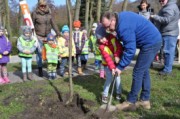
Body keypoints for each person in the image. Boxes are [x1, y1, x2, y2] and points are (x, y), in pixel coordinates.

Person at [101, 11, 162, 111]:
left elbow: (130, 50)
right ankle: (145, 101)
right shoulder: (120, 17)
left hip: (151, 42)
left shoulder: (123, 27)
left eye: (107, 27)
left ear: (113, 20)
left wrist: (120, 67)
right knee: (144, 70)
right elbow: (127, 44)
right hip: (151, 40)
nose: (107, 30)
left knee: (138, 72)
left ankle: (130, 102)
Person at [150, 0, 179, 75]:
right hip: (169, 32)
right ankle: (167, 67)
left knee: (168, 52)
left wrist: (155, 17)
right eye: (160, 0)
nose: (161, 2)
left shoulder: (169, 7)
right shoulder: (169, 6)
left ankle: (167, 70)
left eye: (162, 0)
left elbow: (166, 20)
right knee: (168, 51)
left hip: (169, 33)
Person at [32, 1, 60, 77]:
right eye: (41, 6)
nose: (43, 7)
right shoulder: (35, 13)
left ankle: (54, 66)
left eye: (44, 6)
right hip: (39, 36)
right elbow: (32, 24)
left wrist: (57, 31)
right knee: (39, 53)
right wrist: (32, 34)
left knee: (52, 51)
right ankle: (40, 69)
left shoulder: (49, 14)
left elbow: (53, 23)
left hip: (48, 36)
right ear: (39, 6)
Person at [96, 25, 123, 103]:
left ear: (105, 35)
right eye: (99, 39)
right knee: (109, 79)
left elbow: (119, 47)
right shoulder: (101, 46)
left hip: (116, 62)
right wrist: (112, 68)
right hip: (107, 65)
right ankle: (105, 95)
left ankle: (118, 93)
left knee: (117, 78)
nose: (101, 40)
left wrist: (117, 56)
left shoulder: (113, 39)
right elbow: (107, 58)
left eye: (101, 38)